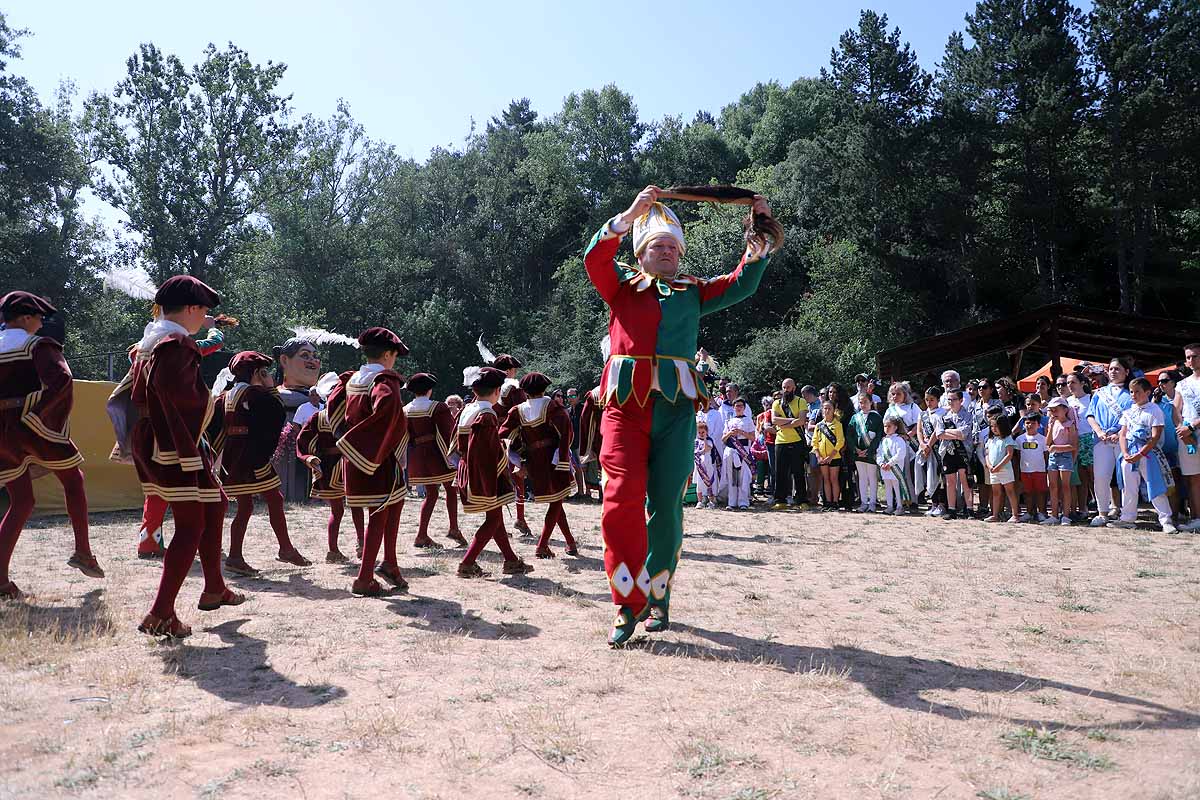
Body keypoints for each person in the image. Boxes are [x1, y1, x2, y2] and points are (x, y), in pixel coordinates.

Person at [583, 184, 776, 646]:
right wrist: (631, 213)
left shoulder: (693, 292)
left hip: (674, 413)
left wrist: (760, 228)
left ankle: (658, 598)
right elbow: (593, 258)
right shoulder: (621, 286)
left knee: (666, 505)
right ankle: (626, 603)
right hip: (624, 411)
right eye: (658, 246)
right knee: (620, 498)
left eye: (673, 246)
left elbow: (743, 281)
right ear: (642, 253)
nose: (667, 252)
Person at [128, 276, 245, 637]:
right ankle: (161, 612)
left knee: (215, 503)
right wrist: (196, 421)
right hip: (173, 442)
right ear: (192, 308)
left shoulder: (151, 338)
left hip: (165, 437)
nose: (205, 317)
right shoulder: (175, 342)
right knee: (191, 525)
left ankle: (214, 587)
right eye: (204, 310)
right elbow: (173, 392)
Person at [0, 291, 104, 600]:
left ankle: (1, 581)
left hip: (1, 433)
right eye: (38, 319)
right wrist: (41, 419)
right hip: (32, 425)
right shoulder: (38, 346)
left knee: (21, 500)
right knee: (74, 480)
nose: (40, 324)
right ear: (28, 318)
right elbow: (62, 381)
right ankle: (83, 551)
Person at [108, 312, 233, 559]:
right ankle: (199, 542)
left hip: (148, 428)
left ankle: (149, 542)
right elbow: (214, 344)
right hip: (173, 428)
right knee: (200, 492)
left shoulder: (142, 347)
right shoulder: (174, 346)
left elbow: (132, 354)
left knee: (156, 490)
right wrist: (211, 328)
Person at [208, 351, 311, 575]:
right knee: (275, 498)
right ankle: (285, 549)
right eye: (263, 372)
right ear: (257, 372)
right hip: (251, 457)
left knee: (246, 506)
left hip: (233, 458)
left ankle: (236, 557)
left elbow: (215, 429)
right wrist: (271, 386)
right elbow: (275, 412)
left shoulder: (225, 396)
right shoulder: (254, 394)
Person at [337, 327, 410, 597]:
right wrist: (388, 446)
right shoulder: (384, 380)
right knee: (379, 514)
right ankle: (364, 577)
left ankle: (390, 563)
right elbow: (388, 411)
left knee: (393, 504)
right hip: (378, 458)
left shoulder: (351, 379)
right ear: (388, 354)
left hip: (355, 457)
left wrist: (348, 442)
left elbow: (335, 412)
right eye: (395, 355)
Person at [455, 366, 534, 577]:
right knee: (492, 520)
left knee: (495, 516)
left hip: (468, 469)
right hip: (485, 472)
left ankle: (511, 560)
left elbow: (459, 444)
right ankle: (467, 563)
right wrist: (505, 450)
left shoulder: (468, 409)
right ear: (498, 391)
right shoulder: (487, 414)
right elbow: (487, 450)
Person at [501, 372, 578, 558]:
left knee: (556, 501)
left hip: (534, 462)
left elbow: (503, 435)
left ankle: (570, 543)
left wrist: (518, 459)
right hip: (553, 459)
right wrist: (562, 459)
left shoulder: (517, 410)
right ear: (544, 388)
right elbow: (566, 433)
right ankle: (542, 545)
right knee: (556, 501)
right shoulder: (552, 406)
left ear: (525, 391)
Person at [297, 371, 365, 562]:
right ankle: (352, 546)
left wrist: (308, 457)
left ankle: (341, 549)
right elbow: (303, 441)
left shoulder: (319, 417)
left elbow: (303, 440)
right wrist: (309, 457)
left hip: (334, 466)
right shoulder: (349, 416)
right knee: (352, 507)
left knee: (343, 509)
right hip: (345, 464)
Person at [403, 373, 466, 549]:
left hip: (417, 456)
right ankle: (453, 527)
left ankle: (422, 534)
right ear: (429, 390)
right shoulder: (438, 407)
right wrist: (458, 454)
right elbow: (449, 432)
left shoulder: (406, 409)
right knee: (451, 490)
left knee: (431, 494)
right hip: (438, 454)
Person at [1115, 377, 1177, 534]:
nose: (1133, 395)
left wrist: (1140, 453)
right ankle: (1127, 517)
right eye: (1131, 392)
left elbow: (1155, 436)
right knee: (1128, 487)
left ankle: (1165, 519)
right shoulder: (1129, 411)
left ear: (1147, 392)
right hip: (1129, 453)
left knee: (1154, 484)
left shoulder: (1154, 410)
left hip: (1148, 453)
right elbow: (1123, 434)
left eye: (1137, 392)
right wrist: (1125, 453)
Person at [488, 351, 533, 537]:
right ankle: (519, 518)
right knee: (518, 477)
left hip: (490, 437)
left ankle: (499, 524)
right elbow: (522, 412)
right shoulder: (513, 387)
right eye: (514, 370)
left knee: (496, 481)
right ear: (509, 370)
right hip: (510, 438)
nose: (515, 373)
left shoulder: (486, 386)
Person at [1087, 357, 1134, 527]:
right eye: (1111, 369)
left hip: (1123, 439)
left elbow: (1134, 416)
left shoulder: (1132, 393)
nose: (1113, 372)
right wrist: (1099, 432)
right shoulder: (1099, 393)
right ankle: (1102, 512)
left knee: (1127, 476)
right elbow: (1090, 415)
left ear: (1126, 372)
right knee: (1100, 476)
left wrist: (1120, 432)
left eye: (1117, 369)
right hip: (1101, 440)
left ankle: (1127, 514)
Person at [935, 389, 974, 519]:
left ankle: (970, 510)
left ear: (961, 400)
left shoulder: (968, 415)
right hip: (947, 451)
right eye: (949, 399)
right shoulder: (944, 416)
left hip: (963, 451)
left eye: (953, 399)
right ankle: (951, 509)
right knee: (950, 481)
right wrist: (954, 433)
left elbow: (964, 434)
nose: (951, 402)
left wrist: (948, 433)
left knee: (965, 480)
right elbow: (939, 434)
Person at [770, 378, 809, 510]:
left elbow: (802, 421)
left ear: (794, 388)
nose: (786, 390)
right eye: (784, 387)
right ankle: (780, 500)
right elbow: (774, 420)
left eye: (788, 387)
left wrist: (785, 423)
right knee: (780, 472)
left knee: (798, 471)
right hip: (780, 441)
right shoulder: (776, 403)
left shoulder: (801, 401)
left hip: (797, 440)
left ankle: (801, 500)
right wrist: (792, 421)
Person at [1174, 343, 1200, 531]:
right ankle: (1196, 518)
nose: (1191, 360)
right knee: (1192, 478)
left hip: (1193, 429)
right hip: (1187, 437)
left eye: (1195, 356)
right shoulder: (1182, 384)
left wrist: (1191, 427)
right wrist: (1182, 431)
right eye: (1188, 357)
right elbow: (1175, 409)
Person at [1044, 397, 1078, 526]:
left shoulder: (1070, 424)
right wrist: (1051, 426)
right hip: (1054, 456)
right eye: (1051, 410)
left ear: (1064, 409)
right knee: (1052, 485)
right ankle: (1054, 514)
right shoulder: (1052, 423)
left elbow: (1073, 445)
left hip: (1065, 457)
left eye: (1056, 409)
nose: (1053, 412)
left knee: (1065, 486)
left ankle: (1066, 515)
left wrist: (1057, 448)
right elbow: (1047, 442)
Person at [1065, 371, 1094, 519]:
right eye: (1068, 383)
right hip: (1074, 441)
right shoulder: (1067, 401)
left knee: (1093, 474)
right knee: (1081, 476)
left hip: (1090, 438)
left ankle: (1103, 506)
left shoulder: (1092, 398)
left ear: (1082, 383)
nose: (1070, 385)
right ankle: (1083, 509)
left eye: (1073, 382)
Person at [849, 393, 884, 513]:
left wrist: (870, 450)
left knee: (872, 478)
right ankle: (864, 502)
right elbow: (850, 434)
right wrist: (855, 449)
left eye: (865, 402)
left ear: (871, 403)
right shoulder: (855, 417)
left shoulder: (877, 417)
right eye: (860, 402)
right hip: (858, 453)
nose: (862, 405)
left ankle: (873, 503)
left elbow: (879, 435)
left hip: (871, 453)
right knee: (862, 478)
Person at [984, 410, 1020, 524]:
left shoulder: (1007, 439)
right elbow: (987, 454)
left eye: (996, 426)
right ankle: (995, 514)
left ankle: (1015, 515)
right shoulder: (991, 440)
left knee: (1010, 491)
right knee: (996, 492)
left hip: (1005, 470)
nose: (993, 428)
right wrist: (990, 466)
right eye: (992, 426)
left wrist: (999, 466)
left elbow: (1009, 454)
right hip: (993, 470)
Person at [721, 397, 756, 510]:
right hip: (731, 449)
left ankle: (743, 502)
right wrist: (730, 434)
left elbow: (752, 437)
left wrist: (741, 432)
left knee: (743, 476)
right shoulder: (729, 421)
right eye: (737, 406)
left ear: (744, 408)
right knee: (731, 476)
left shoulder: (748, 420)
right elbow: (723, 439)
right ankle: (732, 502)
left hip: (743, 450)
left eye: (741, 406)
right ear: (733, 407)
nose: (739, 408)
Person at [1014, 414, 1048, 522]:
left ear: (1038, 425)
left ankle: (1042, 512)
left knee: (1041, 492)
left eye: (1033, 423)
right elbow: (1018, 455)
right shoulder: (1019, 439)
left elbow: (1046, 455)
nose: (1030, 425)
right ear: (1024, 424)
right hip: (1025, 471)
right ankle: (1029, 512)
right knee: (1028, 492)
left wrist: (1046, 469)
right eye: (1028, 423)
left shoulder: (1043, 439)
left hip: (1040, 471)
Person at [917, 386, 946, 516]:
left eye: (932, 399)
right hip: (925, 448)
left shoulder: (942, 412)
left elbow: (937, 431)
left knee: (940, 477)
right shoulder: (923, 414)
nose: (929, 402)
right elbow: (919, 430)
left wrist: (929, 445)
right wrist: (922, 444)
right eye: (927, 399)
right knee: (930, 476)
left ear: (938, 400)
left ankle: (942, 504)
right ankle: (933, 503)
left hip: (938, 448)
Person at [877, 417, 912, 515]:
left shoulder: (899, 440)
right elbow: (879, 453)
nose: (887, 428)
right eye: (885, 426)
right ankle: (889, 506)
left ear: (895, 427)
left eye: (889, 426)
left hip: (895, 468)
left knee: (897, 487)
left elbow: (901, 454)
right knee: (887, 487)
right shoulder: (883, 441)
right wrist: (881, 463)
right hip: (885, 468)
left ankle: (900, 506)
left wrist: (890, 463)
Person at [812, 401, 844, 510]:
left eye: (829, 408)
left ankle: (835, 502)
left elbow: (840, 441)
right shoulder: (819, 425)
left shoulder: (838, 425)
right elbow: (814, 442)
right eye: (824, 408)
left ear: (833, 410)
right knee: (825, 479)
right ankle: (828, 502)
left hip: (834, 457)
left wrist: (831, 456)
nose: (826, 411)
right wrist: (818, 456)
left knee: (834, 479)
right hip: (822, 457)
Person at [693, 419, 721, 509]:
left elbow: (706, 449)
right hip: (698, 465)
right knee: (699, 484)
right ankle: (700, 501)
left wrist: (705, 439)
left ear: (706, 432)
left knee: (709, 482)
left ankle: (711, 501)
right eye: (699, 432)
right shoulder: (695, 441)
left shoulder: (709, 440)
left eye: (703, 432)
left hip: (708, 464)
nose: (701, 434)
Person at [754, 396, 776, 495]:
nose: (767, 407)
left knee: (772, 466)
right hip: (762, 442)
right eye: (765, 405)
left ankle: (771, 485)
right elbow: (757, 431)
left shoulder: (775, 414)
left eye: (770, 405)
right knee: (760, 462)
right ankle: (760, 485)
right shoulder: (760, 416)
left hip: (773, 441)